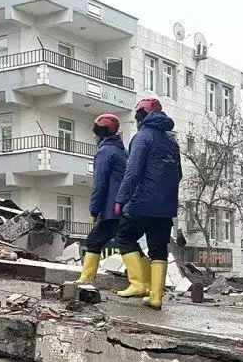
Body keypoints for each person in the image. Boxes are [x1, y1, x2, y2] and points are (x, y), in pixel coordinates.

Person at [111, 97, 182, 308]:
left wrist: (121, 199)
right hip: (166, 206)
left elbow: (132, 172)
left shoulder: (142, 137)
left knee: (124, 237)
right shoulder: (171, 141)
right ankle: (156, 296)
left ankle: (138, 283)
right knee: (158, 249)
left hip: (143, 202)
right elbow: (178, 174)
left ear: (142, 115)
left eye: (137, 115)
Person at [76, 113, 128, 283]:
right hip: (124, 207)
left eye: (96, 133)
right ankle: (144, 282)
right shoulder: (122, 151)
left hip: (111, 209)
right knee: (127, 243)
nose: (94, 136)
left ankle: (85, 280)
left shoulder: (105, 152)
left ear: (102, 133)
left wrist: (94, 209)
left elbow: (100, 184)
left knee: (93, 241)